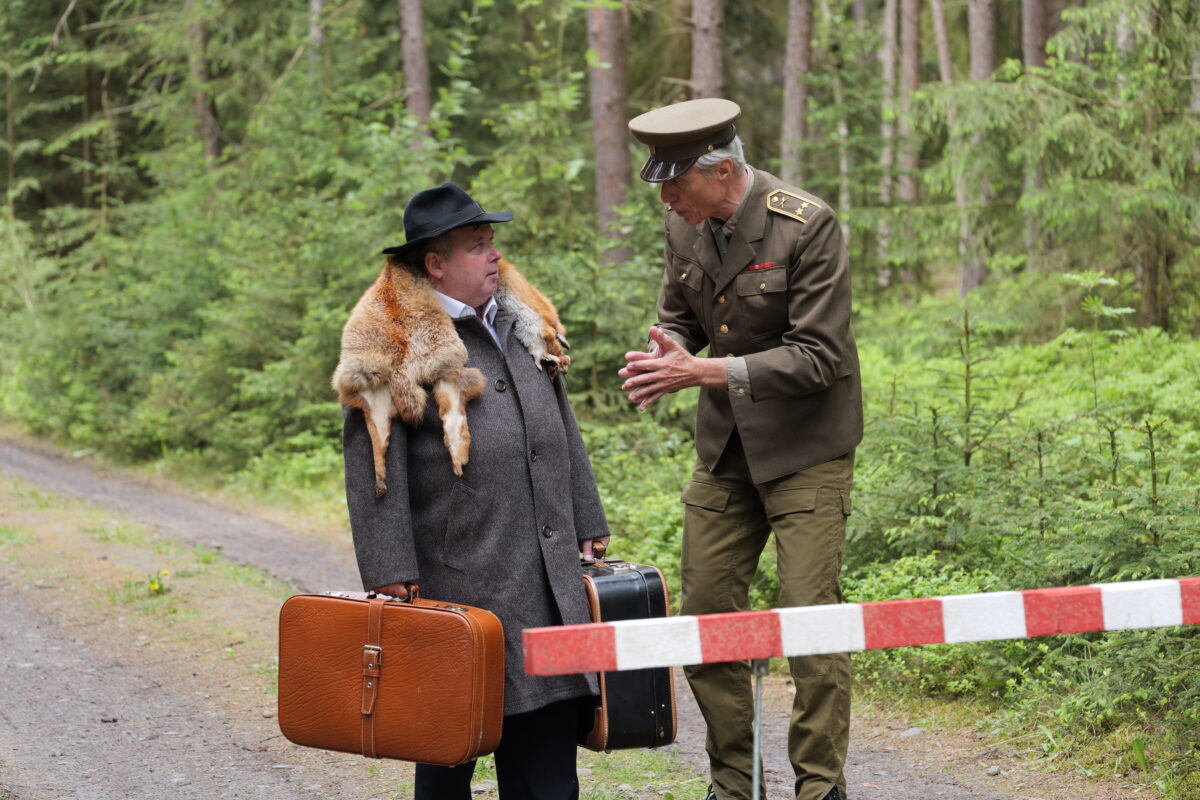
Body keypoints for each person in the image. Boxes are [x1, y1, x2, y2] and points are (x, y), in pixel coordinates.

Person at [618, 98, 862, 800]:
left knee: (810, 622)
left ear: (721, 170)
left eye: (674, 183)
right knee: (705, 618)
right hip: (725, 452)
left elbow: (819, 357)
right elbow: (678, 315)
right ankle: (734, 784)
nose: (664, 198)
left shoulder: (805, 225)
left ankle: (819, 787)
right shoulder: (682, 224)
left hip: (807, 450)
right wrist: (671, 352)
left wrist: (704, 373)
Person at [334, 182, 610, 800]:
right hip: (455, 583)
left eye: (492, 243)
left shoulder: (523, 319)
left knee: (546, 764)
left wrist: (587, 519)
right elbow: (374, 464)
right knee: (444, 754)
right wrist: (389, 569)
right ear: (435, 264)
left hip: (542, 579)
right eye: (477, 245)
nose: (494, 256)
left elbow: (562, 427)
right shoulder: (388, 341)